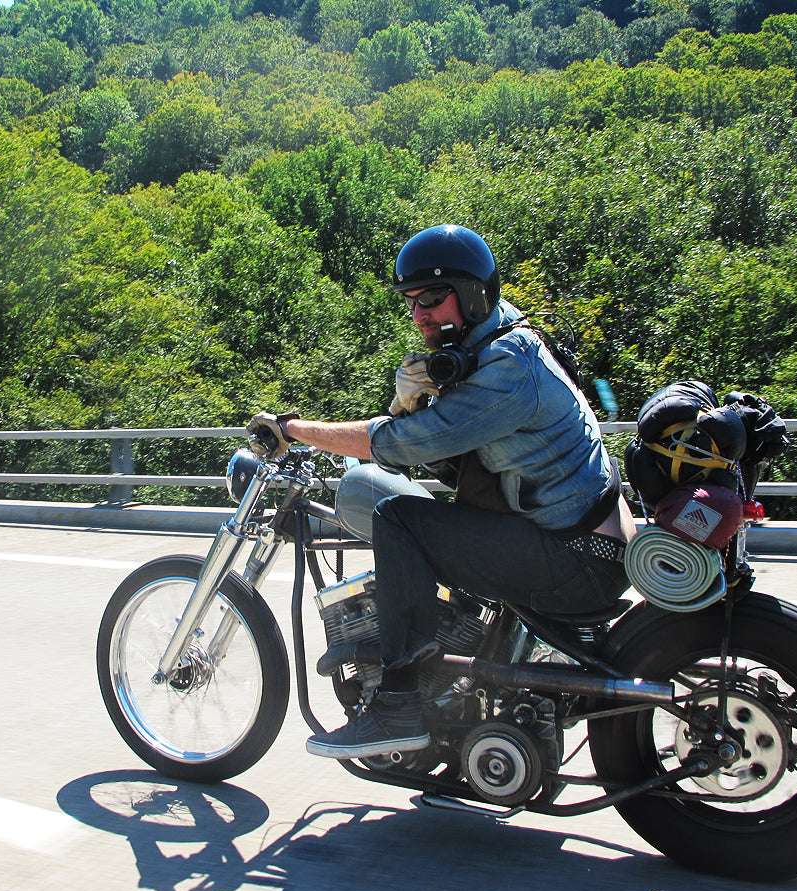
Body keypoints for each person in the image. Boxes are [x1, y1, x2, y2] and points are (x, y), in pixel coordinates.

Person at [247, 224, 636, 760]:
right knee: (443, 524)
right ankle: (454, 682)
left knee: (399, 519)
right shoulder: (497, 339)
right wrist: (422, 399)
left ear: (473, 295)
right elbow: (454, 451)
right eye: (411, 302)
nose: (419, 314)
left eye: (432, 298)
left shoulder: (508, 369)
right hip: (577, 535)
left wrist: (293, 429)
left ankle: (398, 702)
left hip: (577, 558)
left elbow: (400, 445)